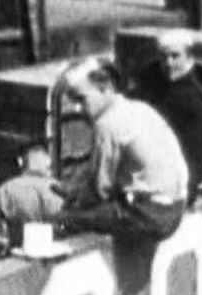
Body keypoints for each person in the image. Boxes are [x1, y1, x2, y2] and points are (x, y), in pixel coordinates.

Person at [54, 57, 189, 241]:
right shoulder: (138, 108)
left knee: (64, 219)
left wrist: (73, 203)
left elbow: (100, 190)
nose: (77, 108)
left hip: (152, 216)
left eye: (81, 99)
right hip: (177, 205)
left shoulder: (106, 124)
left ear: (105, 88)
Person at [142, 29, 202, 197]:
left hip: (182, 181)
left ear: (189, 57)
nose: (168, 63)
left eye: (175, 56)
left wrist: (195, 183)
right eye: (163, 57)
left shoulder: (194, 98)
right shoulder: (161, 86)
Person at [0, 143, 65, 249]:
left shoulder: (5, 190)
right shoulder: (57, 188)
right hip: (52, 253)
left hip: (18, 256)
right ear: (48, 163)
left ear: (21, 162)